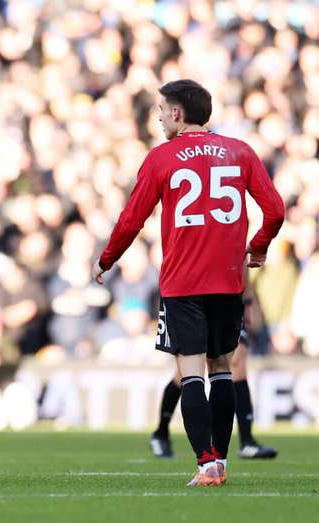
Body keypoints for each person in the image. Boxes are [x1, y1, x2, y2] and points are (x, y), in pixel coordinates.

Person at [93, 80, 284, 487]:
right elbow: (275, 210)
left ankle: (206, 464)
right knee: (222, 369)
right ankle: (222, 462)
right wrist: (259, 247)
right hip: (229, 281)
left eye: (161, 110)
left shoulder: (162, 157)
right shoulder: (240, 151)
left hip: (183, 283)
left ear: (177, 114)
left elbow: (131, 220)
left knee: (190, 371)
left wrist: (108, 259)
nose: (159, 117)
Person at [150, 272, 278, 460]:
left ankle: (246, 440)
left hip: (226, 291)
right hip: (191, 290)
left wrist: (248, 297)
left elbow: (242, 252)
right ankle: (161, 432)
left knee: (234, 360)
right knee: (188, 370)